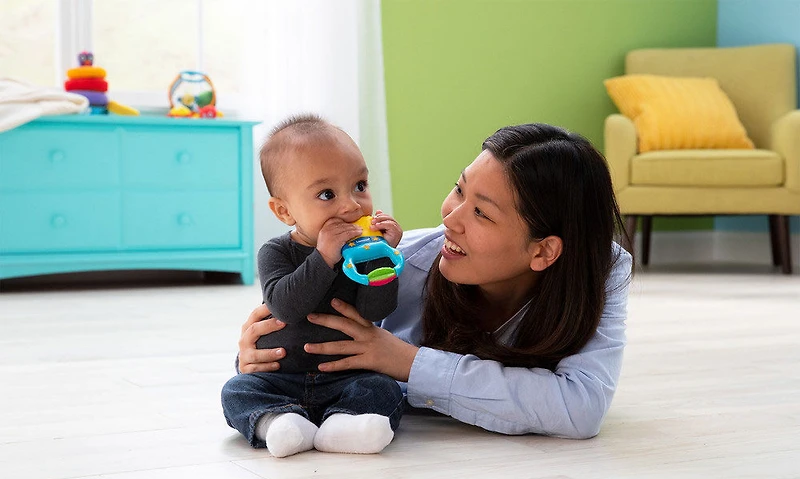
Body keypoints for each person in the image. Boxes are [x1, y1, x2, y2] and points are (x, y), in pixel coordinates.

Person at [231, 122, 632, 440]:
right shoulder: (396, 262)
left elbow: (581, 407)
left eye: (482, 213)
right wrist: (257, 356)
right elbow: (308, 331)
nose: (449, 220)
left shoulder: (602, 270)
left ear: (544, 251)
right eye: (459, 190)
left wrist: (408, 363)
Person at [221, 114, 405, 457]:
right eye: (326, 194)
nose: (351, 205)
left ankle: (344, 425)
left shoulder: (366, 251)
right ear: (283, 211)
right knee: (237, 390)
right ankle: (279, 424)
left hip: (348, 377)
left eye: (360, 186)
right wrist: (322, 257)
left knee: (384, 388)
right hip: (280, 377)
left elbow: (376, 310)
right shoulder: (276, 251)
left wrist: (383, 258)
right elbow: (285, 307)